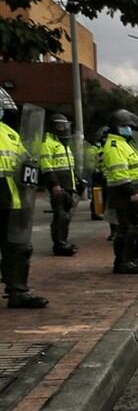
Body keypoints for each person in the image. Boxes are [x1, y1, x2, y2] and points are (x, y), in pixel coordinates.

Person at [0, 86, 48, 308]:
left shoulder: (10, 134)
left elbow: (26, 163)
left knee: (18, 248)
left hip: (13, 201)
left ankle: (18, 291)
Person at [103, 109, 138, 274]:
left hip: (133, 192)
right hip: (124, 194)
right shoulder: (114, 145)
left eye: (130, 126)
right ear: (116, 127)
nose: (129, 129)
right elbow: (120, 175)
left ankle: (136, 259)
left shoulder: (124, 144)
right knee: (127, 229)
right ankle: (122, 262)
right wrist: (133, 194)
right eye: (125, 126)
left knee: (137, 228)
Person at [39, 114, 79, 256]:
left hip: (68, 185)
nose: (63, 128)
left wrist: (77, 181)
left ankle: (63, 241)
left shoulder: (64, 144)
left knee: (66, 216)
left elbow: (69, 166)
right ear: (53, 127)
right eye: (60, 126)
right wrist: (54, 185)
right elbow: (46, 167)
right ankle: (59, 244)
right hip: (58, 186)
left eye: (65, 125)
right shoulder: (47, 143)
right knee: (60, 215)